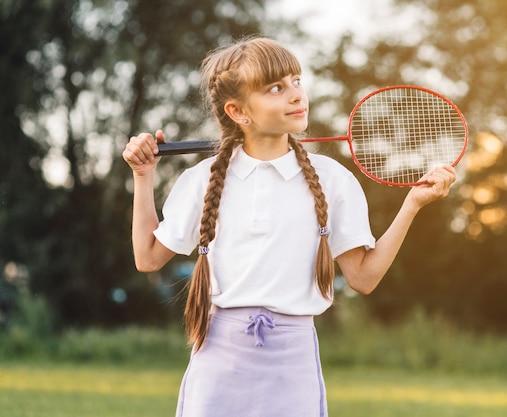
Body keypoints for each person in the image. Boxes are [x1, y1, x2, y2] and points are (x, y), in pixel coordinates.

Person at [122, 36, 456, 417]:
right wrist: (143, 176)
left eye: (297, 81)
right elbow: (148, 258)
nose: (296, 95)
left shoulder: (333, 179)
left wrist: (412, 204)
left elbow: (363, 278)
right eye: (276, 88)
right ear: (238, 111)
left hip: (292, 364)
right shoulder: (202, 180)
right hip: (218, 361)